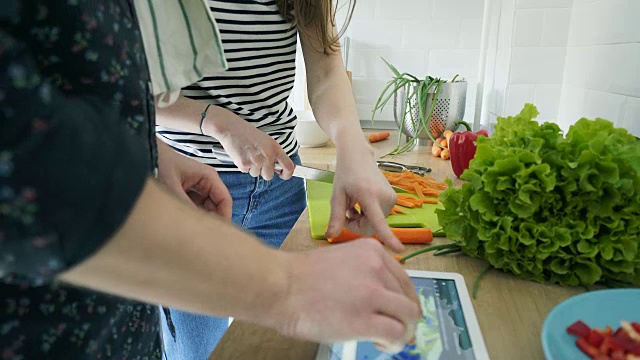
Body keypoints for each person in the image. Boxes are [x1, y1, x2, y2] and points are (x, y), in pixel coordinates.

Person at [0, 1, 421, 359]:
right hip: (154, 219)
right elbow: (33, 168)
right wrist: (291, 287)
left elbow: (102, 90)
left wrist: (354, 149)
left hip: (243, 185)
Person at [154, 0, 406, 357]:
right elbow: (123, 83)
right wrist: (216, 121)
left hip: (282, 191)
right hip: (186, 191)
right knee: (198, 354)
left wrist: (353, 147)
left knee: (284, 348)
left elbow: (326, 70)